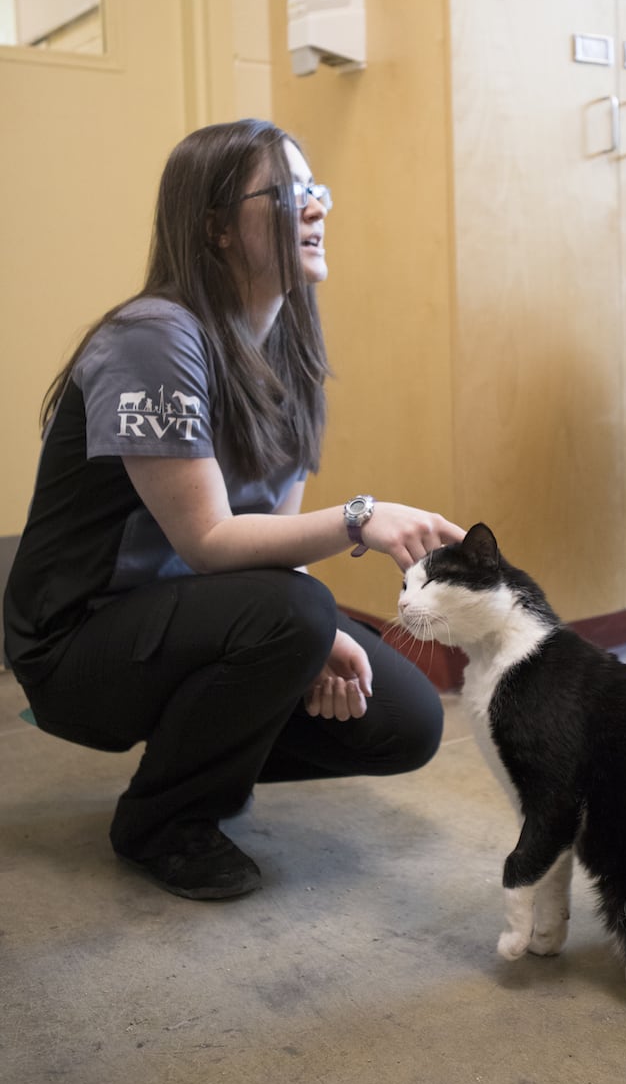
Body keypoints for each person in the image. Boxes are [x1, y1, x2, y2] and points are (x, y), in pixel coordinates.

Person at [2, 119, 465, 900]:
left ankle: (202, 757)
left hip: (194, 618)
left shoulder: (294, 352)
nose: (316, 208)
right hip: (76, 641)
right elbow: (209, 538)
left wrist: (310, 642)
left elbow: (271, 546)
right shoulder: (153, 337)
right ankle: (163, 821)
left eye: (316, 190)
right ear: (216, 229)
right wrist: (360, 520)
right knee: (296, 609)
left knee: (407, 721)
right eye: (287, 194)